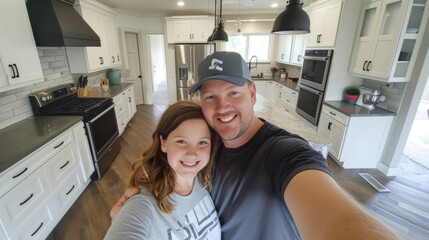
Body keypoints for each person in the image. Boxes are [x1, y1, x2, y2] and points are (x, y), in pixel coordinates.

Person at [111, 52, 400, 240]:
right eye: (210, 97)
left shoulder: (284, 152)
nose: (221, 107)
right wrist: (134, 208)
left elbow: (340, 221)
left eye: (232, 93)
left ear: (252, 93)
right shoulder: (209, 146)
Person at [104, 101, 221, 239]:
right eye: (181, 141)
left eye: (202, 142)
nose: (192, 154)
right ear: (164, 143)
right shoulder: (142, 204)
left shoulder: (204, 180)